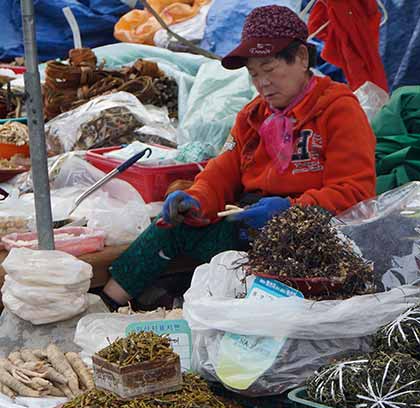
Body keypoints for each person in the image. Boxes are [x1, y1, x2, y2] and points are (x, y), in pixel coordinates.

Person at [102, 4, 376, 307]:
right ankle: (108, 304)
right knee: (171, 226)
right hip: (249, 228)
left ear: (300, 58)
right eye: (254, 74)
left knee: (259, 278)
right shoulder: (252, 117)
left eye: (269, 69)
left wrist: (290, 211)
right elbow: (222, 170)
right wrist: (197, 198)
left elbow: (355, 194)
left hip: (314, 240)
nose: (262, 83)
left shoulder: (338, 109)